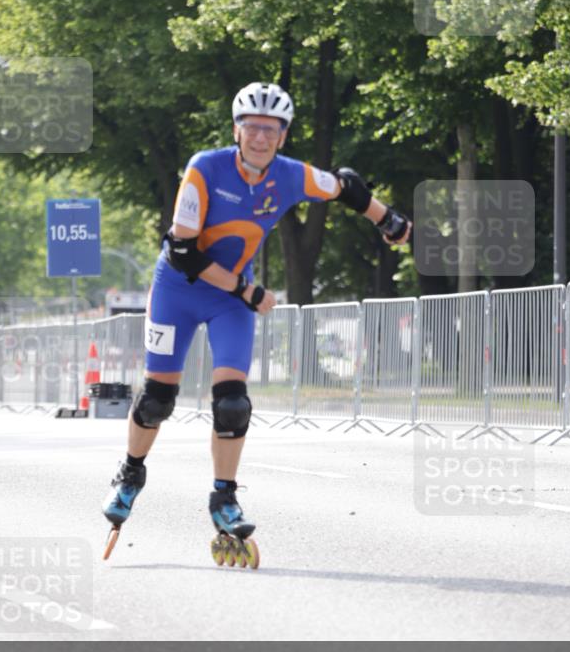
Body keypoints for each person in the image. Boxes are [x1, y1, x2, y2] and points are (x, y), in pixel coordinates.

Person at [102, 82, 411, 557]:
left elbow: (344, 185)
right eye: (252, 128)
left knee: (233, 403)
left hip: (227, 302)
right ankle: (130, 473)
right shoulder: (205, 169)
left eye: (271, 130)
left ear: (283, 136)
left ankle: (224, 497)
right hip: (177, 292)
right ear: (236, 130)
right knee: (157, 400)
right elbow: (183, 252)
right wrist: (248, 290)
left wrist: (387, 219)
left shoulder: (289, 175)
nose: (261, 138)